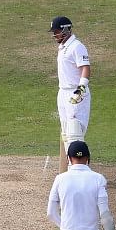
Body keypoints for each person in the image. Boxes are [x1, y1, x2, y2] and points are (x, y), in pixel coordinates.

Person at [49, 16, 91, 173]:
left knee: (75, 132)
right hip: (63, 93)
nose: (55, 35)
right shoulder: (63, 48)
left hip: (75, 93)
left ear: (66, 30)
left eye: (57, 31)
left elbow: (85, 68)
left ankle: (81, 171)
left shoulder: (77, 47)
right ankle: (71, 170)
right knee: (66, 133)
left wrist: (81, 88)